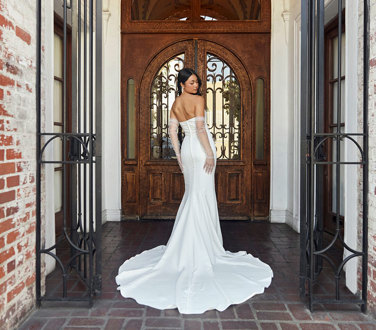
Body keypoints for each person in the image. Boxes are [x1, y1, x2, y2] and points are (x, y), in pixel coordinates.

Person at [115, 68, 273, 314]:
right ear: (181, 83)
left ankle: (187, 246)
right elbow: (200, 130)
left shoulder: (176, 103)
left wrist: (179, 157)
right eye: (191, 82)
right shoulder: (198, 101)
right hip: (200, 149)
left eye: (197, 82)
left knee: (193, 196)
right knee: (201, 197)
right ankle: (202, 249)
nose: (196, 85)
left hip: (188, 151)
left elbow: (172, 133)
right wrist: (210, 152)